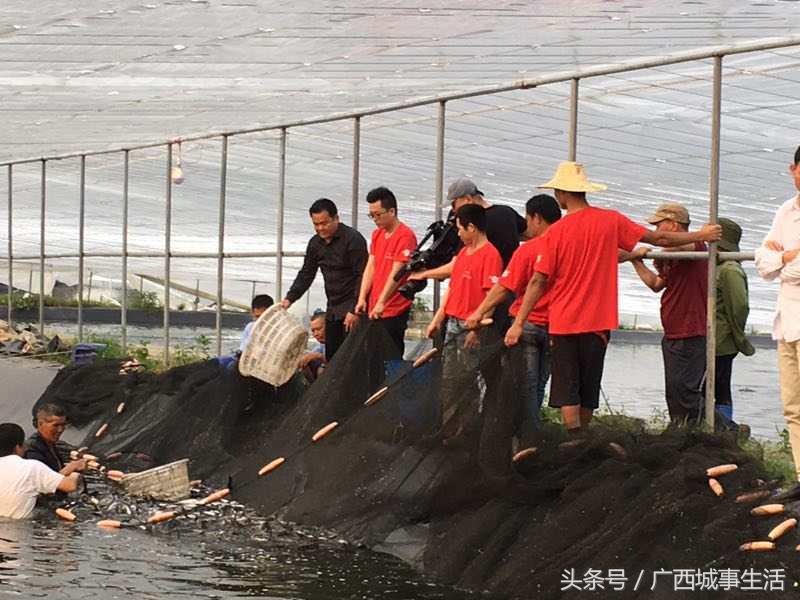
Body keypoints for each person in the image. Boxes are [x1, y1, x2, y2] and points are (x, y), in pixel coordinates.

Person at [506, 161, 722, 436]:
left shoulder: (556, 233)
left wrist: (518, 322)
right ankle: (583, 435)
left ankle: (574, 437)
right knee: (589, 384)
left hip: (563, 321)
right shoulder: (611, 220)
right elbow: (660, 239)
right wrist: (702, 234)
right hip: (598, 321)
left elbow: (539, 280)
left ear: (562, 193)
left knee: (567, 385)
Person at [466, 194, 561, 441]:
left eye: (528, 220)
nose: (526, 227)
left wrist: (478, 312)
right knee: (540, 384)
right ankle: (532, 433)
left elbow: (504, 287)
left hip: (526, 325)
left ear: (536, 218)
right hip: (557, 325)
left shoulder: (528, 250)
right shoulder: (566, 246)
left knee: (525, 386)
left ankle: (527, 438)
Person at [623, 202, 709, 426]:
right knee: (673, 391)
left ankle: (724, 429)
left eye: (659, 226)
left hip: (690, 330)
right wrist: (636, 260)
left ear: (673, 224)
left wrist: (651, 250)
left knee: (687, 392)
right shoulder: (672, 258)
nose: (656, 232)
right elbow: (655, 283)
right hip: (672, 330)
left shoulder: (695, 244)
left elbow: (682, 247)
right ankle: (679, 429)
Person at [426, 204, 503, 434]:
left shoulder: (490, 255)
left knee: (469, 378)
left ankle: (467, 429)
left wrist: (476, 329)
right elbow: (453, 288)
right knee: (450, 377)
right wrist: (438, 318)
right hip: (453, 322)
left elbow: (491, 296)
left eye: (460, 228)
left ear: (472, 227)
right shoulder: (463, 253)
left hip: (471, 325)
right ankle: (449, 425)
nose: (458, 233)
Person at [755, 145, 800, 498]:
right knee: (792, 405)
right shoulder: (786, 211)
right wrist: (785, 256)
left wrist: (780, 258)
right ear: (793, 169)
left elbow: (792, 270)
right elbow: (762, 263)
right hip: (786, 321)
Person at [282, 198, 368, 361]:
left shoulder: (353, 239)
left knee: (353, 357)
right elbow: (307, 273)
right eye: (316, 224)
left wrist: (354, 309)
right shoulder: (315, 244)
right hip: (333, 307)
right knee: (333, 357)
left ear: (336, 218)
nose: (320, 228)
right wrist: (289, 299)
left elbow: (362, 276)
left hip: (353, 307)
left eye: (325, 223)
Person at [355, 186, 418, 358]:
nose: (375, 219)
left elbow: (397, 273)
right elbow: (371, 265)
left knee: (390, 355)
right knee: (372, 357)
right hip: (374, 306)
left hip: (394, 307)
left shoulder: (405, 236)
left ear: (391, 211)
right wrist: (362, 297)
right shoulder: (377, 234)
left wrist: (382, 301)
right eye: (372, 215)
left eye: (378, 214)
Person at [714, 217, 755, 428]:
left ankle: (724, 427)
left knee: (719, 386)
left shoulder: (729, 269)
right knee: (718, 386)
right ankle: (720, 425)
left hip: (722, 341)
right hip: (718, 338)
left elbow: (739, 307)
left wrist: (737, 335)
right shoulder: (720, 267)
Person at [1, 423, 80, 519]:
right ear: (18, 447)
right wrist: (75, 469)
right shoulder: (31, 467)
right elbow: (70, 485)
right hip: (19, 531)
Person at [25, 404, 86, 476]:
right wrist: (71, 468)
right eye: (56, 425)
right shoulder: (32, 450)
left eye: (63, 425)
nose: (60, 430)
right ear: (40, 424)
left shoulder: (52, 445)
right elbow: (44, 483)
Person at [298, 310, 327, 382]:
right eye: (313, 331)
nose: (315, 334)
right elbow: (310, 355)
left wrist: (319, 356)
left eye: (319, 329)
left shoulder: (341, 343)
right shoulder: (321, 346)